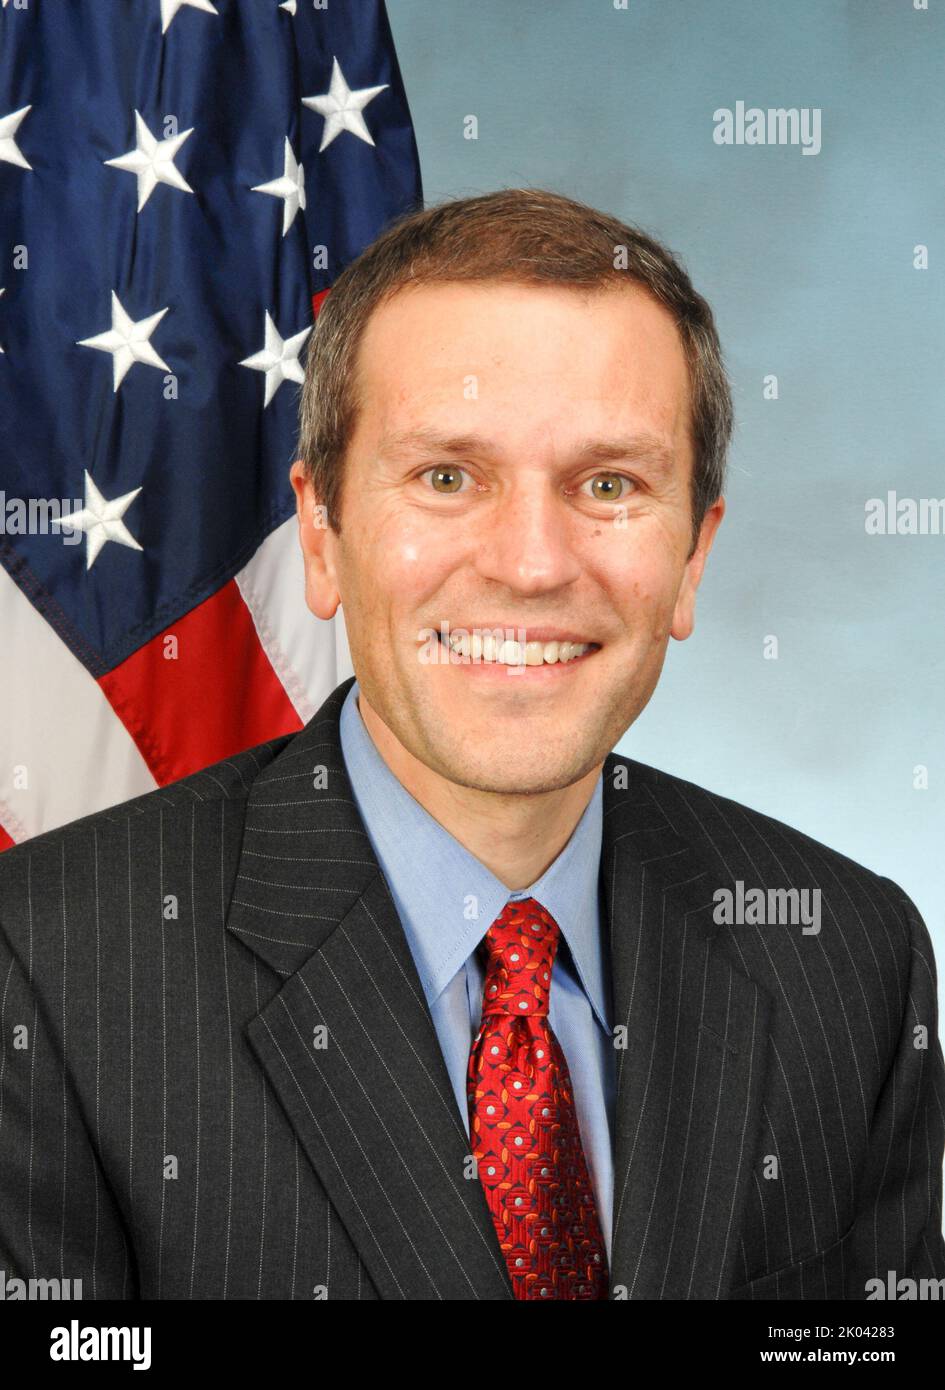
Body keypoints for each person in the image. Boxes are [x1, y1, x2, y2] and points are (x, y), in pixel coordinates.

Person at [0, 189, 941, 1301]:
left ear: (693, 557)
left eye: (609, 484)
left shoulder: (849, 954)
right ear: (322, 532)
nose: (533, 563)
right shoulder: (48, 971)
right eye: (448, 477)